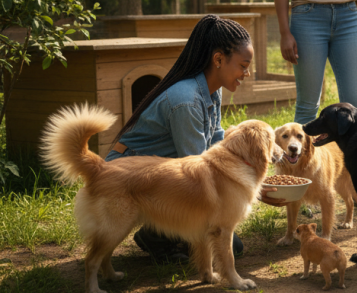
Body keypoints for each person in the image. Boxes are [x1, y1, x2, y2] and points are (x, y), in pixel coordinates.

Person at [106, 15, 286, 264]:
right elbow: (198, 165)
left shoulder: (213, 89)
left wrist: (253, 180)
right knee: (225, 238)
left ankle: (162, 231)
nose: (247, 73)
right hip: (128, 176)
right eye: (243, 65)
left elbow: (218, 141)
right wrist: (254, 187)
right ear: (218, 60)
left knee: (227, 238)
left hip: (164, 172)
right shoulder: (186, 102)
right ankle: (157, 235)